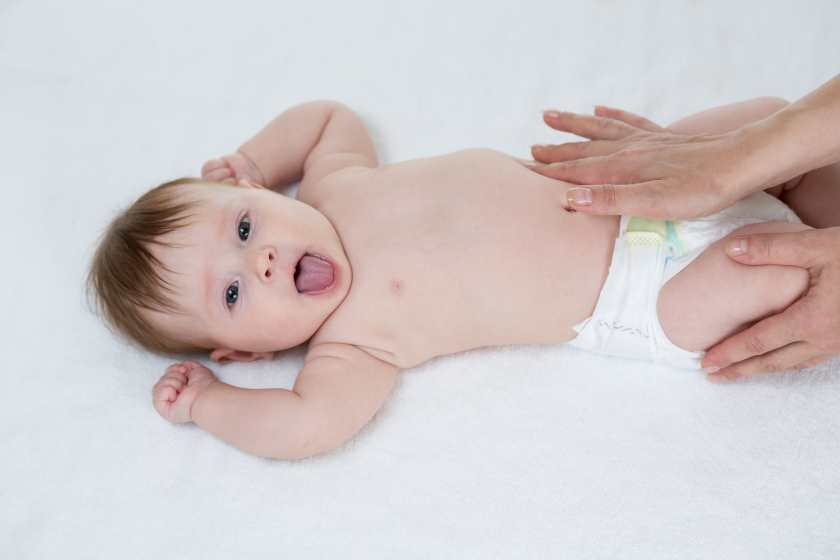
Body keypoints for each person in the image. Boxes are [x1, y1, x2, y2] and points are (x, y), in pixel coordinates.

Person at [89, 98, 820, 460]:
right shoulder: (351, 346)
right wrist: (209, 405)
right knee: (765, 267)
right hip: (643, 290)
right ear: (245, 353)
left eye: (245, 226)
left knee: (770, 124)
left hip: (639, 183)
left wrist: (253, 157)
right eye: (232, 293)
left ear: (258, 195)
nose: (262, 261)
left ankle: (809, 194)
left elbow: (326, 117)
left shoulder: (335, 185)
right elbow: (305, 427)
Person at [529, 74, 840, 381]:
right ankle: (748, 152)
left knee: (789, 281)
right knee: (770, 112)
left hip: (656, 277)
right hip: (715, 180)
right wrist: (744, 153)